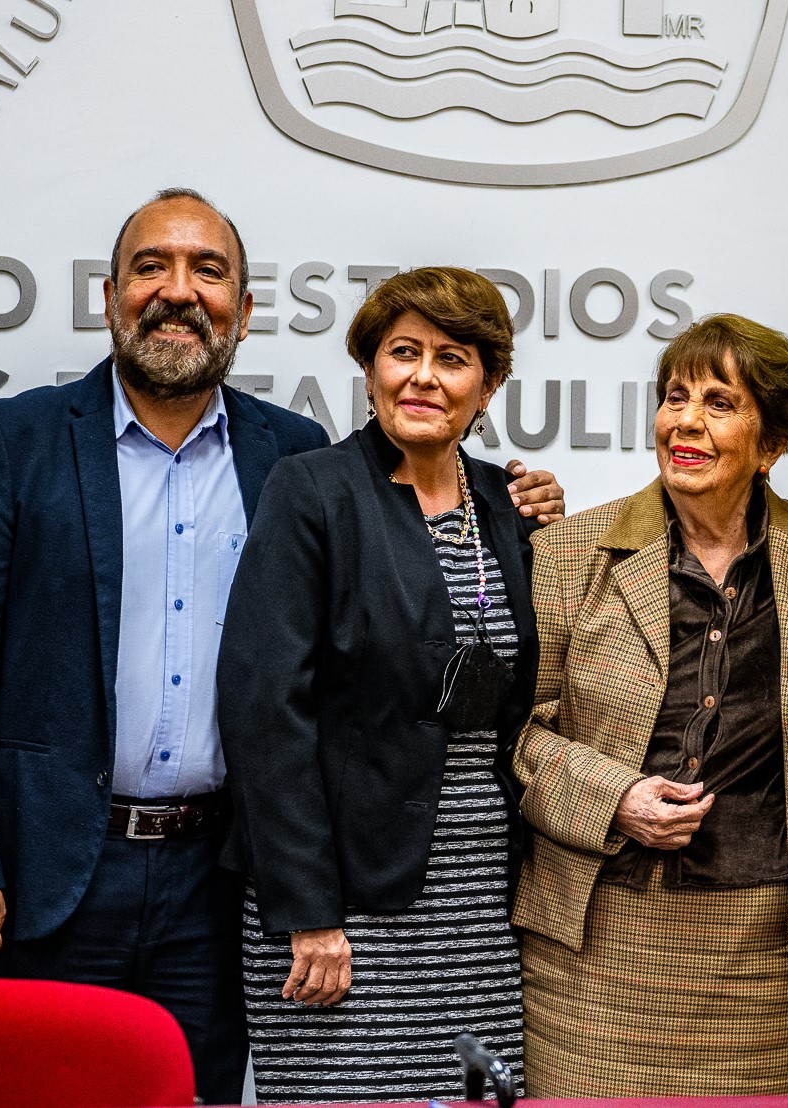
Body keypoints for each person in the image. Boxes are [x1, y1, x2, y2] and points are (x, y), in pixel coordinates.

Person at [0, 191, 563, 1105]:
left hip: (217, 877)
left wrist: (523, 501)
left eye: (209, 272)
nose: (179, 292)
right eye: (152, 267)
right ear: (109, 296)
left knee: (201, 1095)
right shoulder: (20, 442)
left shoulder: (288, 456)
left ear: (245, 314)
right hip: (53, 872)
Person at [217, 267, 544, 1103]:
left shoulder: (508, 508)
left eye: (453, 358)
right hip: (342, 907)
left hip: (475, 908)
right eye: (403, 352)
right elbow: (265, 713)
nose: (424, 377)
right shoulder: (312, 492)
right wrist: (308, 912)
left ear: (490, 383)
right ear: (369, 369)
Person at [513, 314, 788, 1096]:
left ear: (773, 444)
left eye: (720, 402)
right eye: (674, 397)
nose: (685, 422)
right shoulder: (566, 553)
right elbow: (519, 736)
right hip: (593, 947)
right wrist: (614, 796)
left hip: (765, 950)